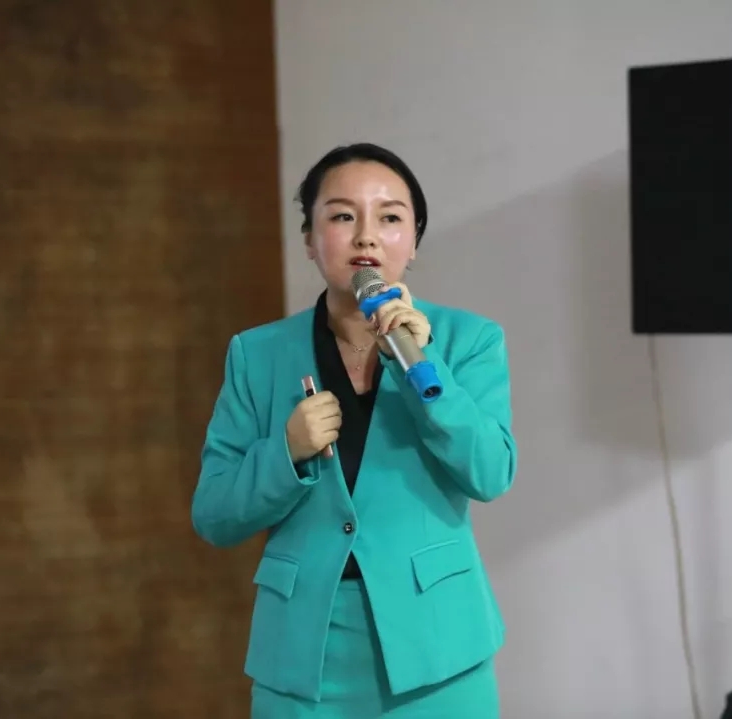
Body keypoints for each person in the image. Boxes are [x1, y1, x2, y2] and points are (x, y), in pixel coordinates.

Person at [192, 142, 518, 717]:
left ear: (413, 241)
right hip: (302, 660)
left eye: (390, 218)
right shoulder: (257, 354)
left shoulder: (469, 340)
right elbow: (214, 514)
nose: (367, 237)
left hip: (437, 651)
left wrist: (423, 365)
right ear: (310, 239)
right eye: (343, 216)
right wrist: (286, 452)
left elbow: (490, 473)